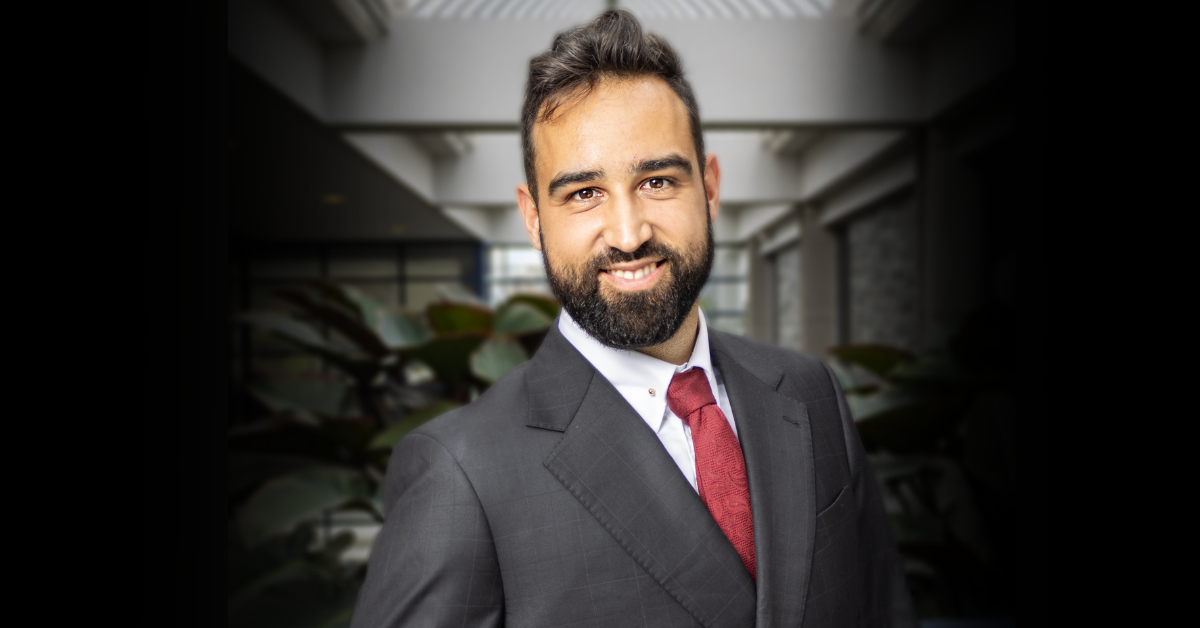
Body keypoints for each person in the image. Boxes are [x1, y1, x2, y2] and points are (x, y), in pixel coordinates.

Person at [351, 11, 913, 628]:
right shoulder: (460, 472)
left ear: (711, 187)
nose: (628, 233)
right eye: (583, 193)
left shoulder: (811, 393)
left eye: (657, 180)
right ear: (533, 217)